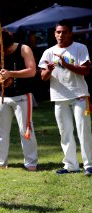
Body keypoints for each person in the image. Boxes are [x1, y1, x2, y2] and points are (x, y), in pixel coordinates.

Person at [38, 20, 92, 176]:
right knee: (65, 132)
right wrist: (47, 70)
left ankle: (88, 165)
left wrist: (65, 64)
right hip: (59, 97)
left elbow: (86, 70)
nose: (60, 35)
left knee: (84, 131)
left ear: (70, 33)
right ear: (55, 34)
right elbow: (43, 77)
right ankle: (71, 165)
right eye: (58, 32)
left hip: (79, 95)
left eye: (64, 32)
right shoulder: (48, 52)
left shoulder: (80, 48)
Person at [0, 27, 38, 171]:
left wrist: (11, 73)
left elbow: (32, 71)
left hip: (22, 95)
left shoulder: (23, 49)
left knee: (25, 129)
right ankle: (1, 162)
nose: (2, 52)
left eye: (3, 49)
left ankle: (31, 162)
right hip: (3, 97)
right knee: (0, 131)